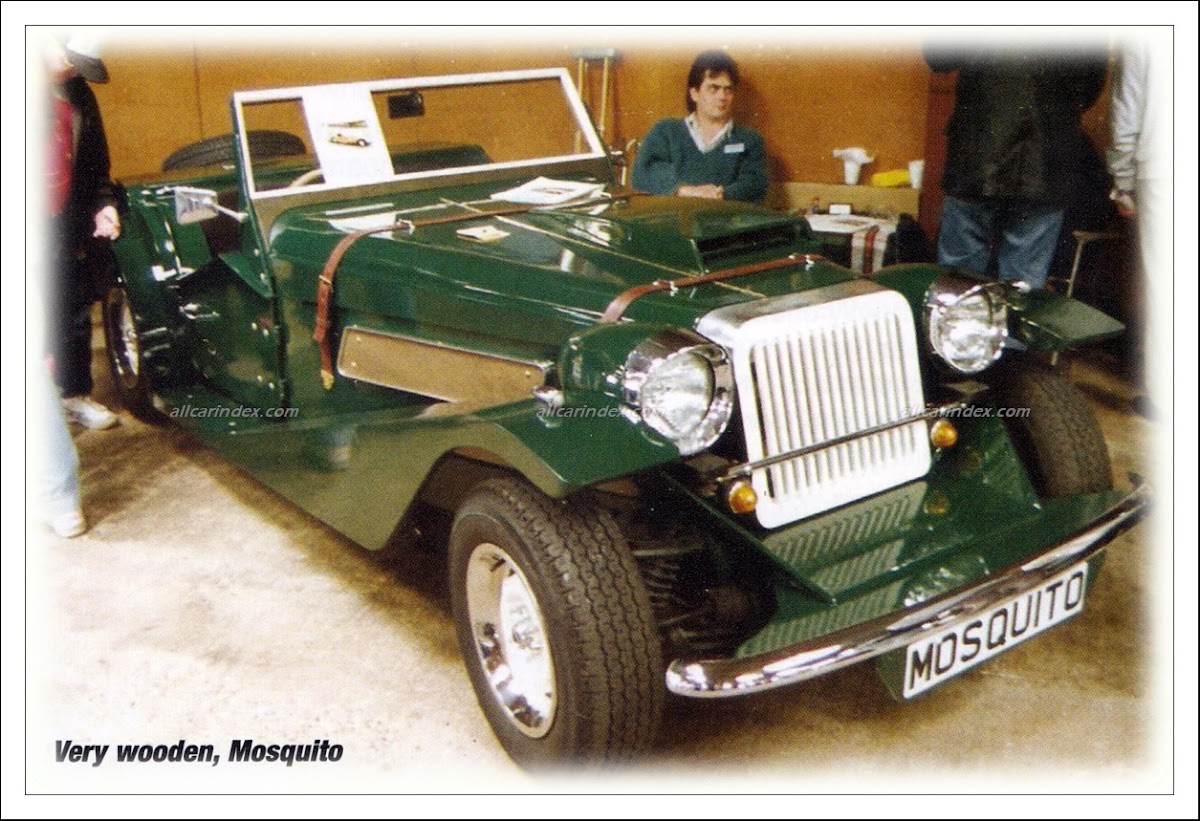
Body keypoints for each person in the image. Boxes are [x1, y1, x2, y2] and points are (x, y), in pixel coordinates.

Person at [925, 46, 1108, 290]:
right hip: (1045, 162)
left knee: (959, 285)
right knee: (1023, 289)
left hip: (976, 157)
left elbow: (938, 57)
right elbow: (1091, 86)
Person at [46, 33, 121, 429]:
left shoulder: (78, 94)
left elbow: (96, 162)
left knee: (71, 309)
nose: (73, 71)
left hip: (63, 222)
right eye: (69, 60)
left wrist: (104, 204)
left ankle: (73, 396)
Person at [631, 50, 768, 205]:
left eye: (728, 89)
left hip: (727, 217)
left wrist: (720, 194)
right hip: (674, 217)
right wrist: (689, 191)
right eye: (713, 88)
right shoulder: (666, 131)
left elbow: (755, 184)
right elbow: (644, 173)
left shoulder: (749, 140)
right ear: (694, 93)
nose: (722, 97)